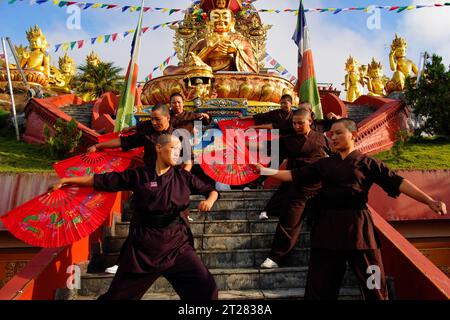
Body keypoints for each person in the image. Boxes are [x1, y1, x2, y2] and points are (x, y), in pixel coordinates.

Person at [256, 118, 447, 300]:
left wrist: (429, 200)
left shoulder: (367, 163)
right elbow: (293, 175)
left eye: (339, 133)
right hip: (327, 229)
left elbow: (398, 182)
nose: (334, 137)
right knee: (319, 287)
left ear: (353, 134)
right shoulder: (324, 164)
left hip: (359, 229)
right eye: (331, 134)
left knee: (374, 285)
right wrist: (264, 170)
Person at [52, 134, 220, 300]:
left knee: (206, 290)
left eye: (180, 150)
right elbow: (104, 180)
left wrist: (210, 201)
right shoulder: (139, 175)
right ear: (159, 148)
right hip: (144, 248)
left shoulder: (183, 177)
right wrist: (68, 179)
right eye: (173, 148)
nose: (177, 152)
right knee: (117, 298)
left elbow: (211, 190)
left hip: (177, 246)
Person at [259, 109, 334, 269]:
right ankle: (276, 257)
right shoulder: (287, 140)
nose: (297, 126)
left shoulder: (321, 139)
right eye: (294, 123)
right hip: (297, 185)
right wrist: (237, 143)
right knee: (288, 222)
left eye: (301, 122)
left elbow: (335, 157)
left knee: (324, 221)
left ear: (310, 122)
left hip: (320, 186)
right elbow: (265, 146)